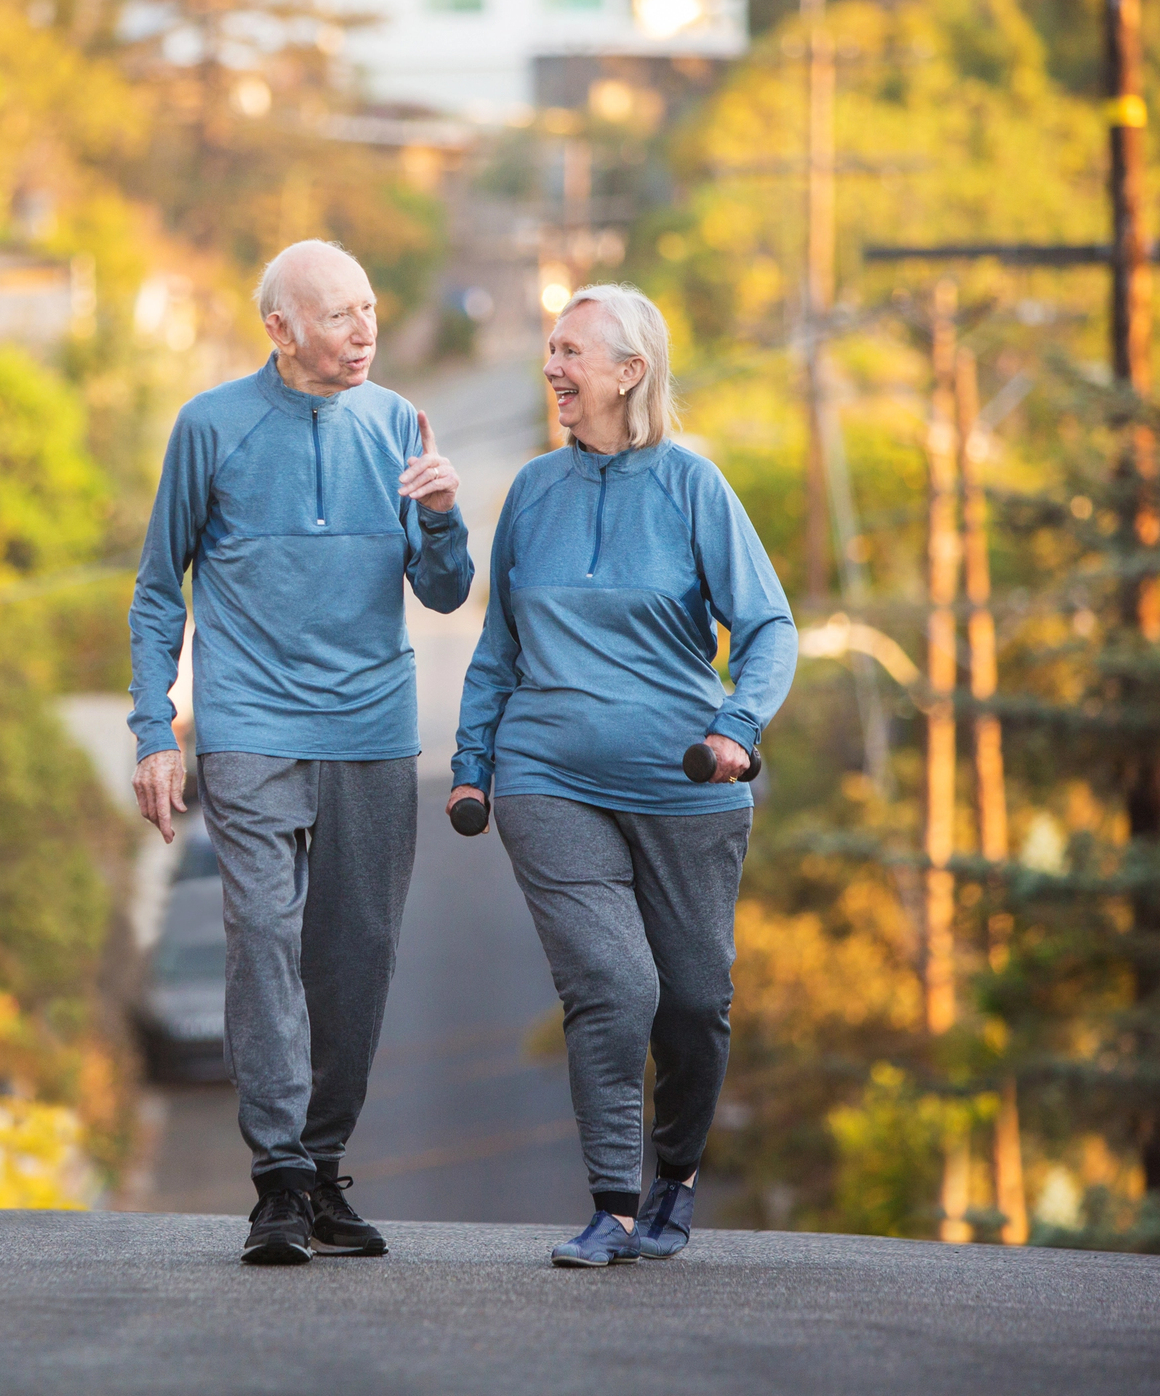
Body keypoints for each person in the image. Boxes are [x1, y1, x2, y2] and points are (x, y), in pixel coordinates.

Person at [128, 239, 473, 1265]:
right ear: (279, 330)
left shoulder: (397, 424)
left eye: (368, 308)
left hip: (371, 728)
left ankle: (322, 1166)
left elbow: (445, 592)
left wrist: (446, 519)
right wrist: (157, 728)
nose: (362, 329)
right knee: (263, 933)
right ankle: (277, 1176)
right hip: (250, 727)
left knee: (355, 954)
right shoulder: (210, 427)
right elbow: (158, 590)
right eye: (337, 315)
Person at [449, 283, 796, 1267]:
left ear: (627, 372)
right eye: (549, 348)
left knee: (691, 998)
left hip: (686, 782)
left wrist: (736, 723)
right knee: (612, 980)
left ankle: (670, 1181)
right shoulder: (529, 491)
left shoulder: (692, 486)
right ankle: (608, 1203)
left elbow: (768, 626)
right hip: (542, 774)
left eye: (569, 351)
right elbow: (496, 646)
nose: (551, 366)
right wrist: (472, 764)